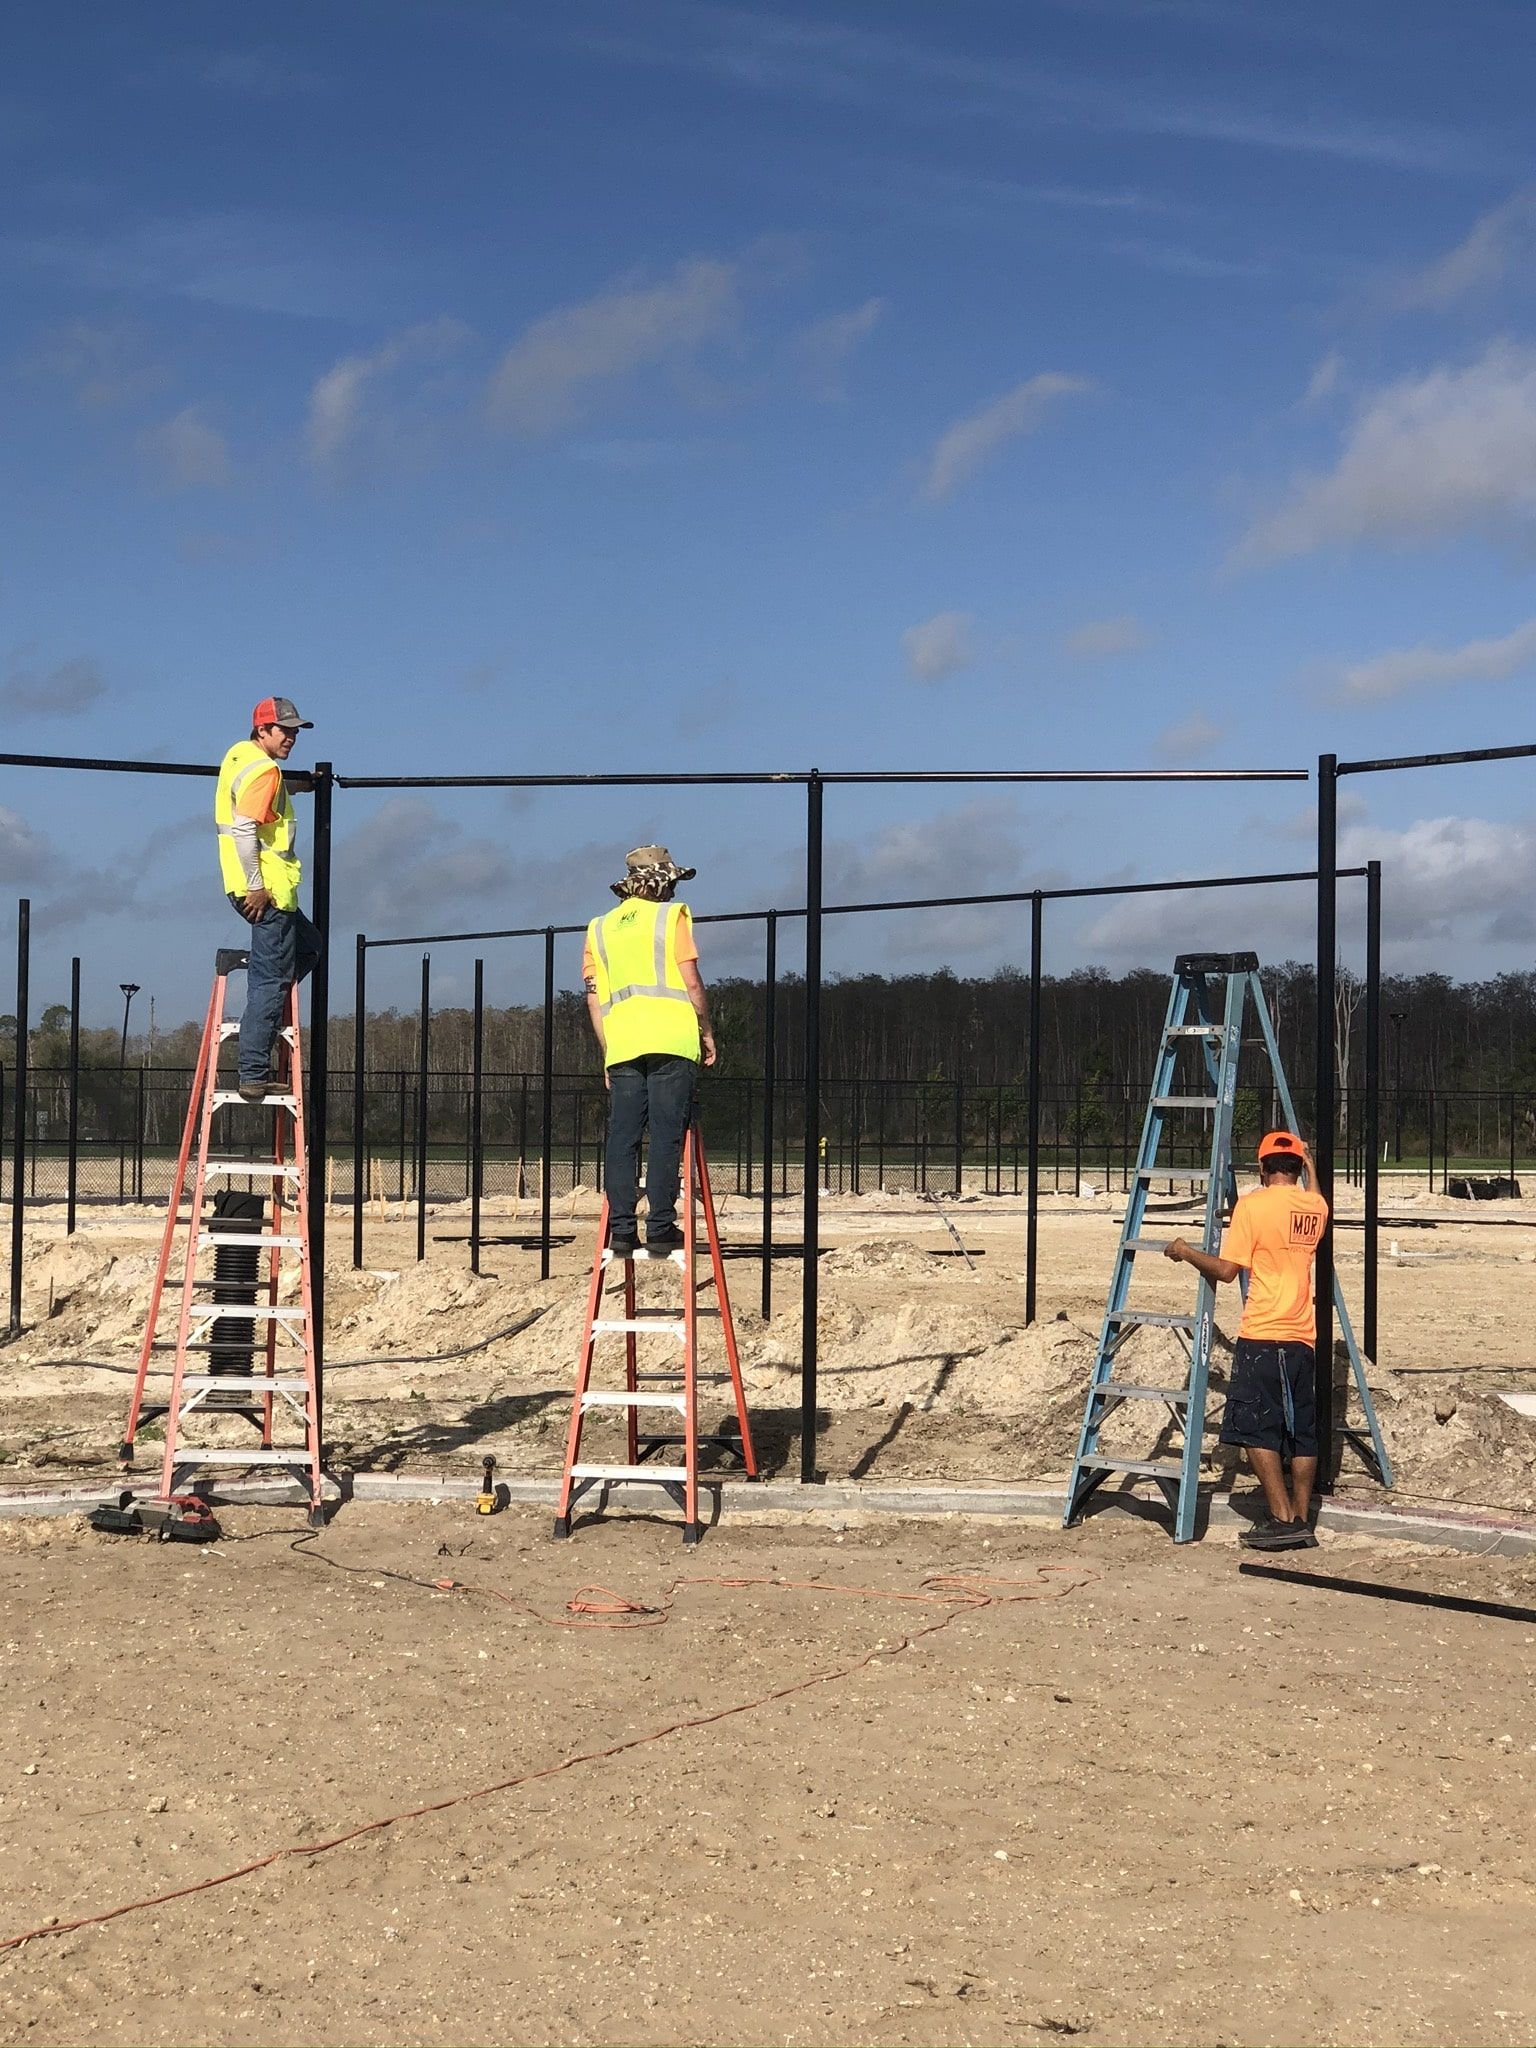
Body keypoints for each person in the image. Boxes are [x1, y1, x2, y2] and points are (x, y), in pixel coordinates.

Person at [1164, 1129, 1328, 1551]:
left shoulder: (1252, 1207)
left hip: (1263, 1332)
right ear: (1298, 1167)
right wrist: (1309, 1163)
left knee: (1257, 1430)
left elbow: (1226, 1270)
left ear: (1262, 1166)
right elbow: (1315, 1193)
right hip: (1302, 1335)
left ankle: (1280, 1518)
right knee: (1302, 1432)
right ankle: (1301, 1516)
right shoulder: (1315, 1207)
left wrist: (1186, 1251)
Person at [583, 846, 716, 1259]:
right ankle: (660, 1228)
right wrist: (706, 1030)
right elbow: (691, 981)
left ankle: (621, 1231)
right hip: (672, 1042)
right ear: (660, 882)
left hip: (622, 1047)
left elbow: (593, 999)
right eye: (671, 882)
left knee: (622, 1138)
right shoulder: (668, 918)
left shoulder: (598, 929)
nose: (675, 890)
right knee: (664, 1135)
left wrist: (608, 1052)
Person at [214, 698, 323, 1101]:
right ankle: (253, 1072)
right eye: (284, 730)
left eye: (295, 731)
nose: (291, 737)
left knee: (311, 946)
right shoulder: (263, 771)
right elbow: (245, 829)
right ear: (263, 730)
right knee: (270, 980)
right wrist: (257, 885)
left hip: (260, 891)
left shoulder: (241, 757)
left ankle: (267, 1003)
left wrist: (301, 784)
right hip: (268, 895)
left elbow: (264, 796)